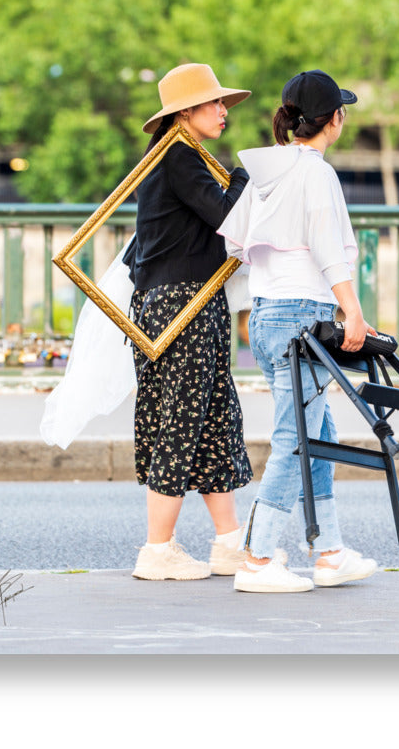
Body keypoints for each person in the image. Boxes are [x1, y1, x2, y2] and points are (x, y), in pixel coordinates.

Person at [218, 69, 380, 593]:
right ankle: (257, 557)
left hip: (265, 315)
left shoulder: (267, 171)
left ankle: (329, 551)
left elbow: (235, 246)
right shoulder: (316, 173)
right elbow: (329, 249)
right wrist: (351, 312)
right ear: (334, 120)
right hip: (299, 317)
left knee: (318, 430)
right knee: (297, 435)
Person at [125, 63, 255, 581]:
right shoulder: (179, 155)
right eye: (214, 103)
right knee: (183, 418)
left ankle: (228, 543)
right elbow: (226, 215)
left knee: (214, 418)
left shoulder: (173, 156)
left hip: (182, 301)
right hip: (183, 303)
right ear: (185, 113)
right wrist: (249, 176)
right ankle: (158, 550)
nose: (224, 111)